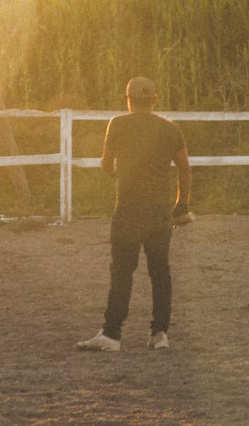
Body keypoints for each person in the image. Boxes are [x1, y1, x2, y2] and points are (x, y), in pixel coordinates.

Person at [76, 77, 192, 352]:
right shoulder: (171, 129)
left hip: (128, 211)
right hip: (160, 213)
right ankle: (159, 333)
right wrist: (181, 205)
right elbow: (185, 168)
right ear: (155, 99)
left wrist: (123, 175)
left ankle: (112, 334)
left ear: (128, 99)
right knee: (160, 273)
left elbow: (106, 164)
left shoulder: (117, 124)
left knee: (122, 272)